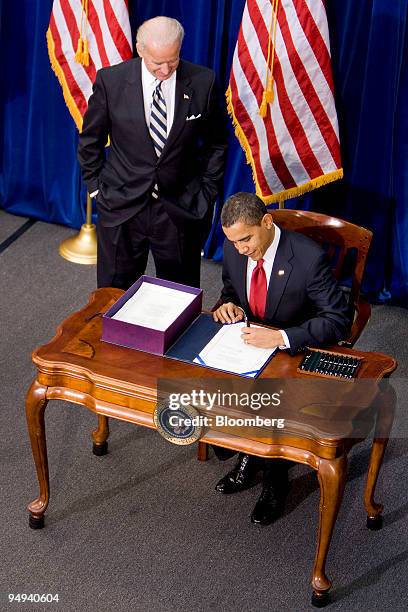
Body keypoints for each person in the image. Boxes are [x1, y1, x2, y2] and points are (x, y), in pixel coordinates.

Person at [212, 192, 351, 525]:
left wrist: (282, 337)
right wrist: (226, 306)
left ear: (267, 222)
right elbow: (231, 291)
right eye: (233, 242)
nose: (241, 249)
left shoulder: (307, 258)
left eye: (246, 239)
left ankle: (275, 478)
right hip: (247, 344)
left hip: (294, 349)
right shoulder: (235, 252)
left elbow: (338, 319)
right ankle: (248, 455)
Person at [77, 16, 227, 289]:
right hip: (122, 204)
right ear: (140, 49)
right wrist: (97, 189)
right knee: (114, 294)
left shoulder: (203, 81)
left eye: (173, 60)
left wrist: (207, 192)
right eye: (157, 62)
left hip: (179, 209)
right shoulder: (112, 81)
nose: (166, 69)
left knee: (178, 296)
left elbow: (217, 143)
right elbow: (90, 141)